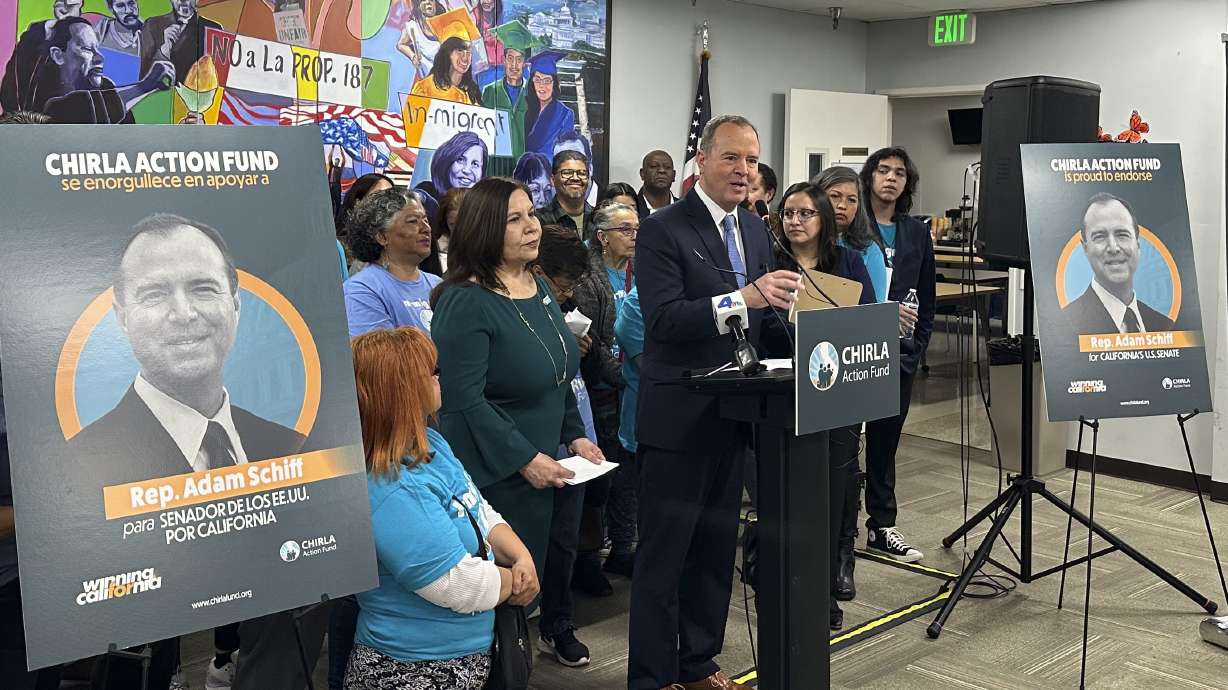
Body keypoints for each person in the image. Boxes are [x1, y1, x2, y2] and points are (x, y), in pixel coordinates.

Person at [628, 115, 800, 690]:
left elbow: (760, 317)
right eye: (732, 158)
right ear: (701, 160)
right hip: (678, 418)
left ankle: (697, 663)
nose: (744, 170)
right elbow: (664, 319)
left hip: (735, 413)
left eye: (751, 161)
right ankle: (653, 678)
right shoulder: (663, 229)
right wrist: (741, 297)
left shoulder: (753, 228)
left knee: (712, 553)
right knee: (664, 561)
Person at [429, 177, 605, 664]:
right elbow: (462, 402)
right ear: (486, 229)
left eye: (531, 214)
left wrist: (574, 436)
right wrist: (525, 459)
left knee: (536, 594)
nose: (533, 227)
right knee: (500, 609)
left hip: (555, 469)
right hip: (502, 476)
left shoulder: (538, 285)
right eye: (516, 219)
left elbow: (558, 372)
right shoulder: (464, 301)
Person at [345, 326, 539, 690]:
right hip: (411, 670)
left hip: (465, 657)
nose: (439, 378)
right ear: (399, 390)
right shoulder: (388, 485)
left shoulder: (430, 442)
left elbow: (478, 509)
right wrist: (518, 580)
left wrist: (520, 555)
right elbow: (454, 583)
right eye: (429, 372)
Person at [70, 214, 306, 486]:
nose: (184, 314)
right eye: (154, 294)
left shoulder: (290, 445)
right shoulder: (79, 465)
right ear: (122, 317)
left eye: (203, 288)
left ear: (236, 305)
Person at [773, 182, 875, 630]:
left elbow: (867, 314)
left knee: (835, 487)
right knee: (790, 493)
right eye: (788, 213)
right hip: (781, 392)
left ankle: (833, 573)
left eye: (805, 214)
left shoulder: (848, 262)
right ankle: (791, 579)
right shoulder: (769, 264)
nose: (794, 221)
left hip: (835, 391)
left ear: (823, 221)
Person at [528, 223, 602, 665]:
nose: (567, 292)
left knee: (564, 541)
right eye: (563, 284)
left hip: (574, 436)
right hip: (530, 448)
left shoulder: (562, 307)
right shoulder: (502, 307)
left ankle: (557, 623)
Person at [857, 147, 935, 568]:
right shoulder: (850, 228)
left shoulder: (916, 232)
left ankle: (882, 524)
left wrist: (916, 348)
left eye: (899, 173)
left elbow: (927, 294)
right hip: (853, 350)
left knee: (885, 443)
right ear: (869, 177)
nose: (890, 178)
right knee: (846, 441)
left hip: (899, 354)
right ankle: (840, 527)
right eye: (883, 170)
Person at [568, 203, 636, 593]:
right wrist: (626, 374)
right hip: (600, 390)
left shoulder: (641, 269)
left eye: (636, 229)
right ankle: (589, 558)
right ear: (602, 235)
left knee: (628, 474)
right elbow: (589, 344)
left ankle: (624, 547)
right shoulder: (587, 277)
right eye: (625, 230)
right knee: (600, 477)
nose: (633, 236)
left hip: (633, 385)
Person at [1062, 192, 1174, 333]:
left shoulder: (1166, 326)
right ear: (1085, 248)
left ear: (1138, 245)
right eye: (1100, 236)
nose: (1113, 248)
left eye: (1122, 234)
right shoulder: (1065, 324)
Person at [31, 18, 174, 123]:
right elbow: (78, 108)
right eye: (87, 49)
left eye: (97, 48)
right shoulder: (45, 102)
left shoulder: (105, 87)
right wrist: (145, 85)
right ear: (58, 55)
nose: (100, 57)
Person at [344, 189, 443, 336]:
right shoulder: (361, 289)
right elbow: (380, 355)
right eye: (413, 221)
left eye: (426, 220)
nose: (426, 228)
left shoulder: (437, 285)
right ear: (382, 237)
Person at [609, 283, 643, 578]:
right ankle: (624, 550)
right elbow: (652, 365)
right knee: (637, 494)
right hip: (643, 419)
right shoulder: (635, 304)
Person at [0, 0, 82, 114]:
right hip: (24, 119)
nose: (65, 5)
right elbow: (13, 83)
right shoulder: (36, 35)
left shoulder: (85, 36)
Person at [481, 21, 534, 160]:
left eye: (519, 59)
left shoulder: (533, 93)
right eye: (510, 59)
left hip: (524, 163)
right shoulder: (490, 91)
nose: (514, 65)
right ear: (503, 60)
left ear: (525, 63)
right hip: (497, 162)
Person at [138, 0, 221, 84]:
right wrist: (164, 50)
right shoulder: (152, 25)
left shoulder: (212, 29)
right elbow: (142, 75)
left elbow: (218, 74)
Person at [415, 131, 487, 223]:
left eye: (475, 164)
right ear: (447, 162)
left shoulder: (487, 205)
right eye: (460, 160)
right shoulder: (426, 195)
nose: (467, 170)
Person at [523, 50, 575, 159]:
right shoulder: (524, 107)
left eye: (547, 81)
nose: (542, 86)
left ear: (554, 83)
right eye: (537, 80)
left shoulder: (565, 114)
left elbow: (565, 154)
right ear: (532, 82)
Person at [537, 150, 594, 239]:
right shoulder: (539, 221)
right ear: (552, 180)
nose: (575, 178)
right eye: (567, 173)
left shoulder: (598, 217)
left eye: (582, 173)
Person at [410, 35, 481, 105]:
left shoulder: (471, 92)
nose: (465, 58)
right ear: (447, 54)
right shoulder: (424, 88)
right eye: (460, 51)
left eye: (469, 52)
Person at [421, 186, 466, 276]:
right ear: (445, 222)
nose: (460, 231)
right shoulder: (433, 253)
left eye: (465, 223)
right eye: (453, 225)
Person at [395, 0, 442, 81]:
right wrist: (413, 56)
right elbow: (401, 44)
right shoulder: (412, 27)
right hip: (427, 79)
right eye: (423, 0)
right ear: (418, 5)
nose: (428, 2)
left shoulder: (446, 23)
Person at [636, 150, 677, 219]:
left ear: (674, 175)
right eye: (654, 166)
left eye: (667, 167)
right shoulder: (629, 209)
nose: (662, 171)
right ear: (642, 174)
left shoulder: (687, 209)